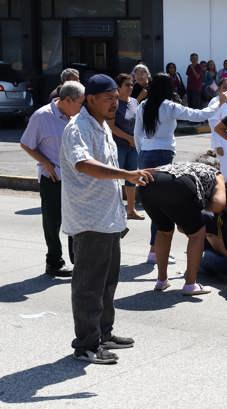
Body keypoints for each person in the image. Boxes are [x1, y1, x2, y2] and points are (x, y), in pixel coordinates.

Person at [60, 74, 154, 364]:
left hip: (109, 219)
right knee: (89, 286)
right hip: (89, 220)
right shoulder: (78, 128)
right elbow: (84, 164)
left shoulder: (102, 126)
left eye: (117, 97)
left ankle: (104, 333)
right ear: (90, 99)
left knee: (108, 281)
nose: (115, 102)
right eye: (108, 98)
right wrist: (127, 176)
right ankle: (86, 345)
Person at [134, 73, 227, 264]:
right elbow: (199, 115)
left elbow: (137, 134)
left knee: (153, 203)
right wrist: (218, 102)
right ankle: (155, 250)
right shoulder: (169, 106)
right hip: (163, 154)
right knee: (162, 203)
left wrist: (142, 153)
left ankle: (154, 249)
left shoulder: (143, 105)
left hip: (146, 152)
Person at [20, 81, 84, 277]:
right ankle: (54, 262)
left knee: (77, 219)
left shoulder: (78, 117)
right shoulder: (42, 117)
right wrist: (45, 163)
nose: (82, 107)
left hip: (75, 177)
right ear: (66, 100)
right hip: (53, 178)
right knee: (53, 221)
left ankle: (79, 259)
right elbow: (26, 143)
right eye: (79, 103)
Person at [139, 161, 226, 295]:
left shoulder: (183, 165)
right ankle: (190, 284)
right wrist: (196, 211)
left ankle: (161, 281)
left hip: (147, 183)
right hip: (177, 185)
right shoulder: (216, 173)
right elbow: (218, 204)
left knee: (163, 231)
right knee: (197, 233)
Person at [108, 74, 144, 220]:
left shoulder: (135, 102)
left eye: (131, 84)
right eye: (127, 85)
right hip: (118, 146)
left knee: (132, 178)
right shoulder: (114, 103)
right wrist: (129, 138)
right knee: (114, 178)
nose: (130, 87)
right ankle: (113, 210)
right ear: (118, 87)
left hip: (133, 147)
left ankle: (131, 209)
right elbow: (111, 126)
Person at [200, 180, 227, 278]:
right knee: (209, 258)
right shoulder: (209, 214)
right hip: (213, 253)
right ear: (224, 200)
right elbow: (220, 249)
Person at [208, 78, 227, 181]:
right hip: (223, 144)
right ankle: (224, 195)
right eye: (224, 87)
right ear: (219, 89)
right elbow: (213, 125)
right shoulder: (215, 101)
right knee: (225, 172)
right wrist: (218, 145)